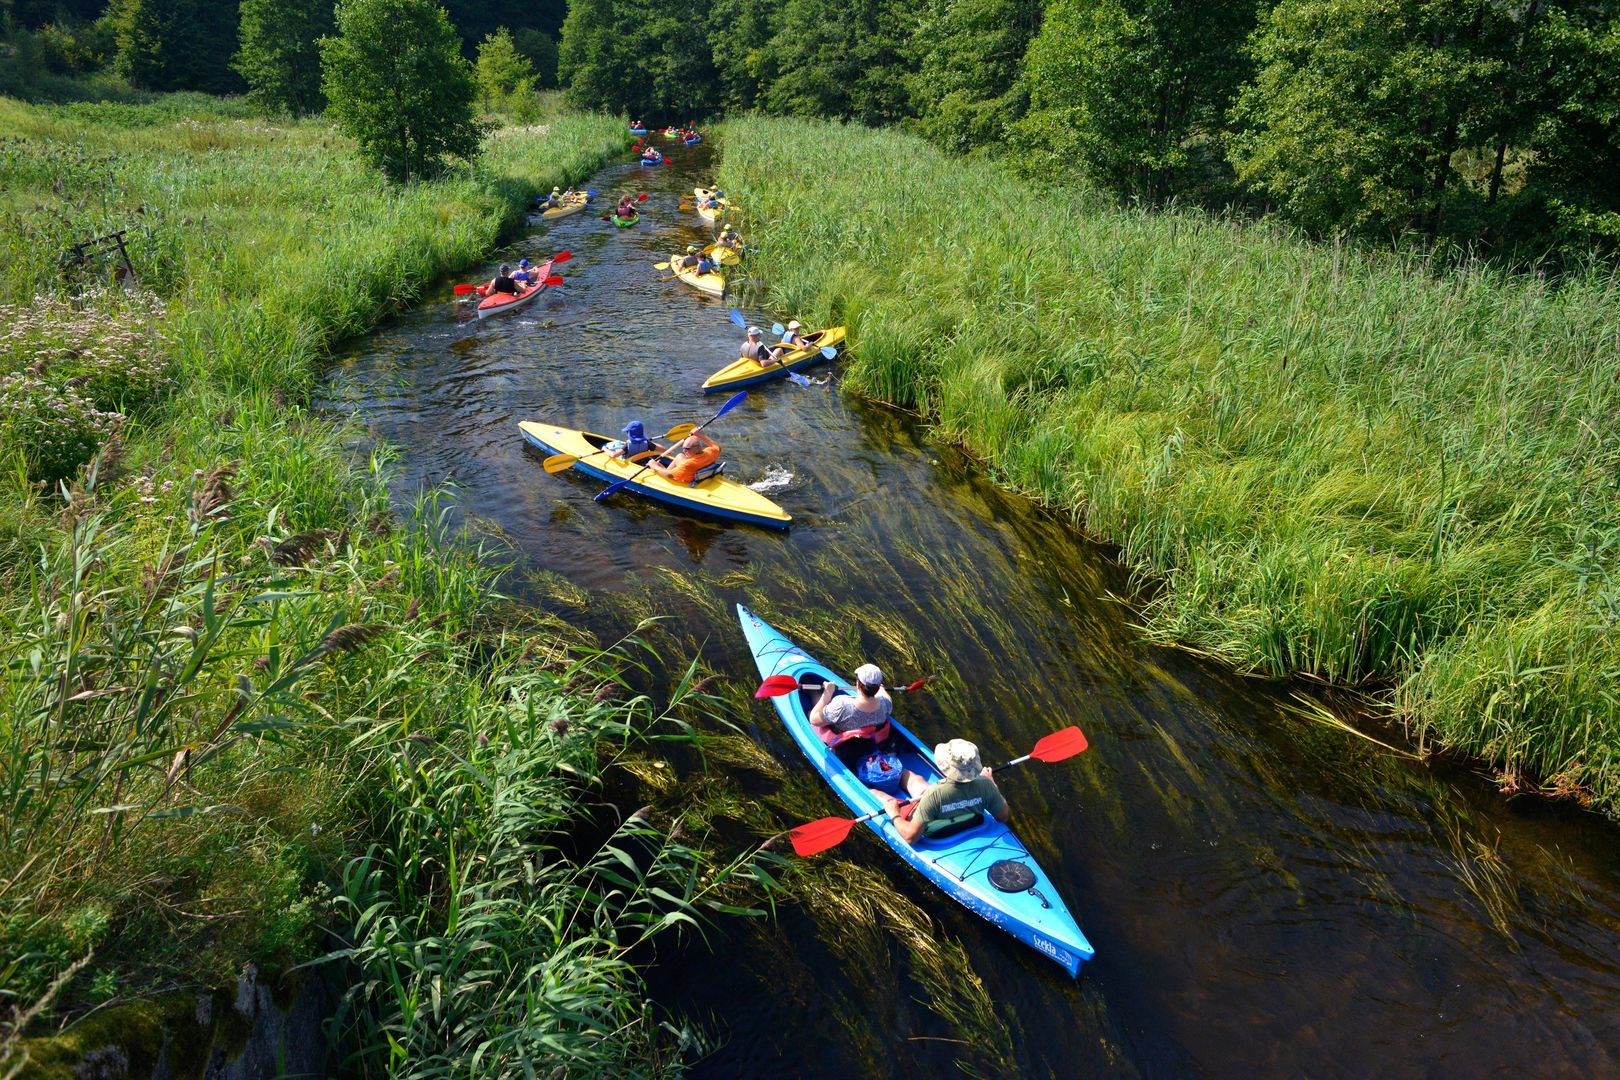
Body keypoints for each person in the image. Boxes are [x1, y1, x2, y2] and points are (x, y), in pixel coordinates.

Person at [876, 738, 1009, 845]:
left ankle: (881, 772)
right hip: (968, 820)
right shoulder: (986, 785)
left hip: (935, 829)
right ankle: (895, 770)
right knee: (917, 781)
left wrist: (895, 815)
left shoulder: (934, 794)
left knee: (879, 795)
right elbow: (1002, 817)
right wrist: (992, 783)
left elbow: (910, 837)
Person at [810, 664, 894, 769]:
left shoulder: (842, 704)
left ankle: (810, 691)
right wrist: (882, 689)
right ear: (877, 687)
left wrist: (827, 693)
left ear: (858, 684)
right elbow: (886, 697)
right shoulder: (885, 704)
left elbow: (813, 719)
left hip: (841, 744)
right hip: (866, 743)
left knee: (811, 710)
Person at [649, 432, 721, 484]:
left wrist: (653, 465)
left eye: (686, 449)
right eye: (683, 449)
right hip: (703, 473)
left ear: (695, 449)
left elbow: (669, 475)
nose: (684, 451)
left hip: (690, 478)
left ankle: (663, 471)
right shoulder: (710, 452)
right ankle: (664, 470)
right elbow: (717, 446)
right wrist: (698, 434)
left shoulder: (688, 464)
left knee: (664, 472)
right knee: (679, 456)